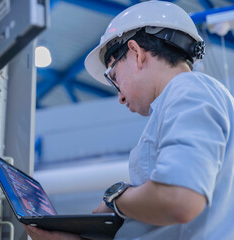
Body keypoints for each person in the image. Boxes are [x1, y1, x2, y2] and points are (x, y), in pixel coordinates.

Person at [24, 1, 234, 239]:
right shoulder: (185, 99)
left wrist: (117, 199)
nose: (120, 97)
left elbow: (180, 200)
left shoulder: (188, 90)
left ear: (135, 53)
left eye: (114, 77)